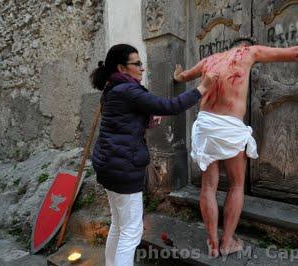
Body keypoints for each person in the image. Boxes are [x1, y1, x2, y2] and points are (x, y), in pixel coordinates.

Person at [174, 33, 298, 257]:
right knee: (236, 185)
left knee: (208, 187)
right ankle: (227, 242)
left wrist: (177, 74)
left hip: (205, 124)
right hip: (230, 126)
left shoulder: (209, 60)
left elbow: (183, 76)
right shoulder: (249, 52)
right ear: (247, 47)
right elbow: (296, 53)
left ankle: (212, 244)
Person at [90, 44, 216, 266]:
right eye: (137, 64)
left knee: (119, 224)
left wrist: (148, 119)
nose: (142, 68)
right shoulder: (129, 90)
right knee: (131, 231)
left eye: (141, 63)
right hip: (123, 167)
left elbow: (124, 120)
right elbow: (170, 105)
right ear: (122, 67)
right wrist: (201, 89)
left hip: (108, 164)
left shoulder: (113, 89)